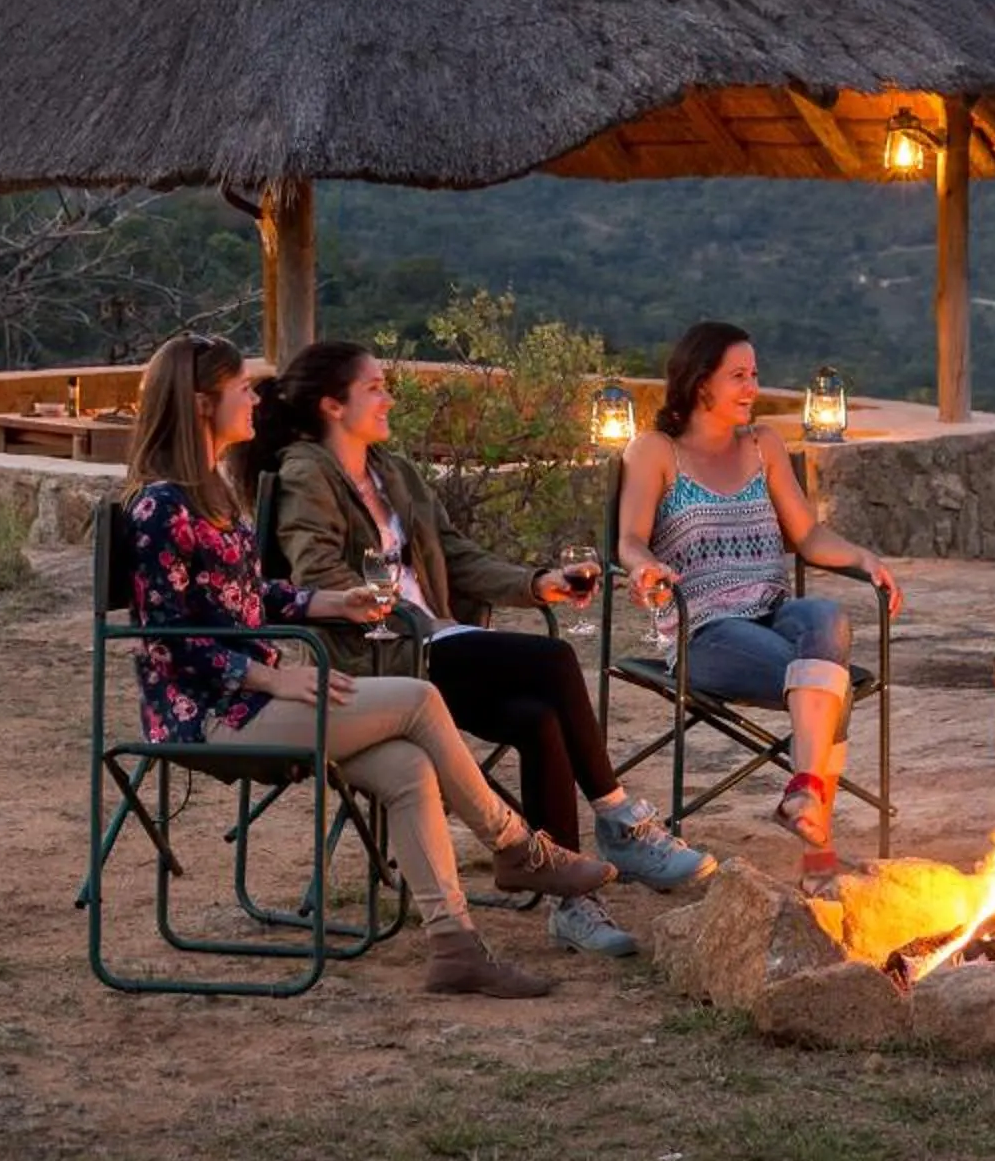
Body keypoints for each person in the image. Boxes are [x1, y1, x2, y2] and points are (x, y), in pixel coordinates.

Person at [121, 332, 615, 999]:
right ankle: (519, 848)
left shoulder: (212, 496)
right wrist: (271, 676)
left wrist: (334, 601)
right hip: (210, 715)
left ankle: (455, 949)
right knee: (418, 698)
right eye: (241, 389)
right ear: (203, 403)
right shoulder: (161, 507)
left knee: (409, 767)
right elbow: (167, 640)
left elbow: (250, 596)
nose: (255, 399)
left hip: (258, 700)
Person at [247, 340, 717, 960]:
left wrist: (534, 583)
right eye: (375, 388)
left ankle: (571, 905)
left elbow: (456, 553)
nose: (389, 399)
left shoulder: (394, 471)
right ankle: (619, 819)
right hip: (382, 657)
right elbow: (315, 573)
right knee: (554, 661)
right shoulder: (307, 474)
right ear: (333, 405)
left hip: (439, 645)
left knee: (538, 719)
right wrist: (392, 606)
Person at [617, 321, 902, 887]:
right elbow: (629, 539)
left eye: (755, 374)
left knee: (827, 618)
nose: (753, 387)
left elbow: (807, 535)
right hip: (704, 629)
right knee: (827, 681)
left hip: (772, 611)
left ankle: (803, 794)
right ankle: (818, 850)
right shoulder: (656, 451)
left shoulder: (763, 445)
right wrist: (643, 566)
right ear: (701, 382)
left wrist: (864, 559)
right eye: (739, 376)